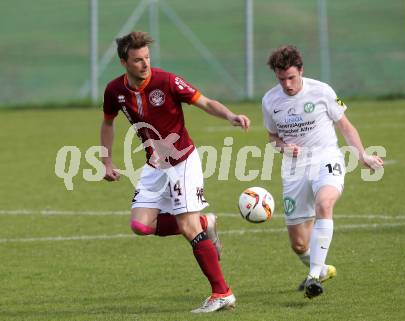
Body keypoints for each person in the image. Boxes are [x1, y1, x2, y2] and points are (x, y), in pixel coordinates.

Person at [100, 31, 250, 312]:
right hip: (155, 166)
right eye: (137, 60)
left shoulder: (166, 81)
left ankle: (222, 293)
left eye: (147, 58)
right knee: (141, 225)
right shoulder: (114, 91)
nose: (144, 64)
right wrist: (106, 161)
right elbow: (108, 123)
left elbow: (203, 101)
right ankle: (205, 223)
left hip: (182, 161)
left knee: (186, 226)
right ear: (124, 63)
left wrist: (230, 115)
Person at [262, 45, 383, 299]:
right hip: (294, 169)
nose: (287, 85)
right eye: (282, 79)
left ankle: (314, 277)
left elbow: (345, 126)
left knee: (324, 203)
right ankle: (321, 268)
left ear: (301, 71)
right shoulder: (270, 101)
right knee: (298, 244)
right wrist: (284, 146)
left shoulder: (322, 91)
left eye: (292, 78)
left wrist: (362, 154)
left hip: (326, 158)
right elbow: (272, 137)